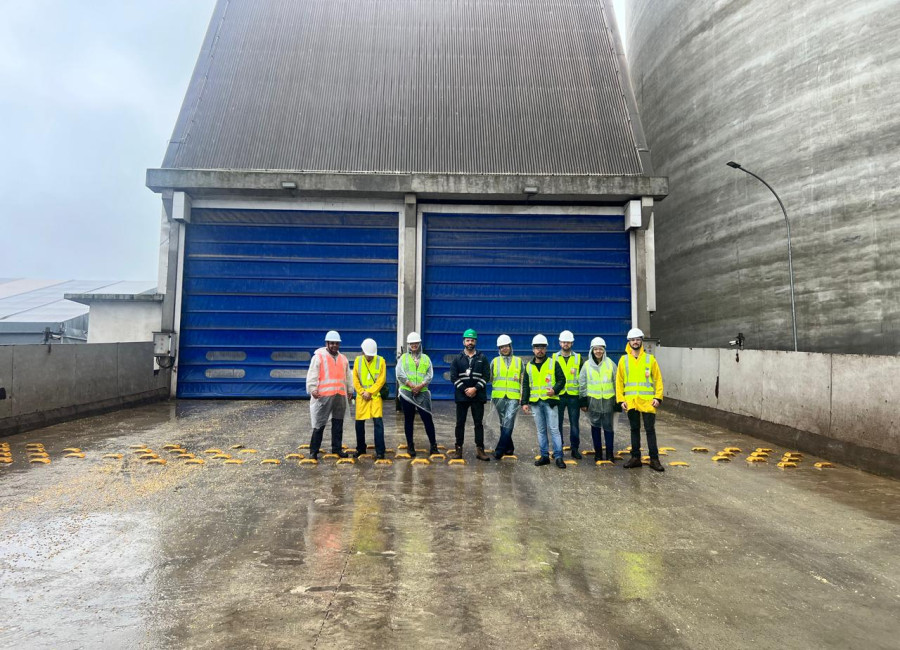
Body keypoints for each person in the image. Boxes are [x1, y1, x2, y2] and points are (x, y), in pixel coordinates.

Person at [616, 328, 665, 472]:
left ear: (641, 341)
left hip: (648, 401)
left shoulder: (650, 359)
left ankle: (654, 459)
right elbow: (619, 382)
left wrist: (658, 397)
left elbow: (658, 379)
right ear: (629, 342)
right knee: (634, 430)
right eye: (632, 340)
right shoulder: (623, 360)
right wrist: (621, 400)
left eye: (637, 339)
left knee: (650, 430)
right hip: (631, 402)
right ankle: (635, 458)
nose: (635, 342)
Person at [521, 334, 567, 469]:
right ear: (533, 349)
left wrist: (555, 390)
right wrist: (524, 402)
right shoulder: (529, 366)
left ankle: (558, 457)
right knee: (541, 431)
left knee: (554, 430)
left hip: (550, 402)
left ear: (546, 349)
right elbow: (525, 385)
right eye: (537, 348)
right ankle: (544, 456)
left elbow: (562, 380)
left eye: (542, 347)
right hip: (535, 403)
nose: (539, 350)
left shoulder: (553, 363)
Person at [306, 330, 353, 459]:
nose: (334, 346)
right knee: (319, 424)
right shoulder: (319, 357)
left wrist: (350, 389)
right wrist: (312, 388)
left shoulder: (343, 359)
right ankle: (313, 451)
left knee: (338, 423)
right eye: (332, 343)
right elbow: (312, 373)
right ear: (327, 343)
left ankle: (337, 449)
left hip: (339, 395)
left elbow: (348, 375)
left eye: (336, 343)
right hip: (323, 396)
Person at [450, 328, 491, 461]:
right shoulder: (457, 359)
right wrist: (465, 390)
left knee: (478, 423)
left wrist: (475, 389)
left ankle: (480, 450)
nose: (470, 342)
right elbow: (453, 377)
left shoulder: (482, 358)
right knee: (459, 423)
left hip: (477, 397)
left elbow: (486, 376)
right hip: (462, 397)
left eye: (472, 340)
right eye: (468, 340)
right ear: (463, 342)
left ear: (476, 342)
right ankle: (458, 449)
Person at [396, 332, 438, 456]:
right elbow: (399, 373)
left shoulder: (426, 358)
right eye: (411, 343)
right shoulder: (403, 358)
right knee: (409, 420)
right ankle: (410, 446)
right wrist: (411, 386)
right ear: (408, 345)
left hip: (422, 392)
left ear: (419, 343)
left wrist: (420, 386)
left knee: (427, 419)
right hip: (407, 393)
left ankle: (433, 445)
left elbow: (429, 375)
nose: (414, 345)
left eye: (416, 343)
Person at [580, 337, 617, 462]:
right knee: (595, 427)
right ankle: (598, 453)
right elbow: (582, 384)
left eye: (600, 349)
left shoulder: (611, 364)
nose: (598, 351)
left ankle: (610, 453)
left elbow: (617, 382)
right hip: (593, 402)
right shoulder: (586, 365)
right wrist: (583, 401)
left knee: (608, 427)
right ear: (592, 350)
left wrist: (618, 401)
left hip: (608, 401)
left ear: (604, 350)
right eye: (595, 349)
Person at [352, 338, 387, 459]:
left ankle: (380, 451)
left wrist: (370, 392)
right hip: (362, 398)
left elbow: (381, 380)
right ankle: (361, 449)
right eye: (368, 355)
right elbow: (355, 379)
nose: (370, 357)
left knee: (378, 424)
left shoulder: (381, 361)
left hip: (375, 397)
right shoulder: (358, 361)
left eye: (372, 355)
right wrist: (362, 392)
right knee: (359, 424)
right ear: (363, 352)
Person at [553, 330, 585, 458]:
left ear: (571, 343)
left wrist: (583, 399)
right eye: (563, 342)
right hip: (559, 395)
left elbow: (582, 380)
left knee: (574, 424)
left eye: (568, 342)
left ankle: (575, 448)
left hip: (573, 396)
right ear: (560, 343)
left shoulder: (578, 358)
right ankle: (558, 447)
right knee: (557, 423)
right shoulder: (554, 358)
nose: (565, 344)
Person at [490, 334, 522, 459]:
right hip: (499, 396)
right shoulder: (495, 361)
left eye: (506, 346)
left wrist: (522, 396)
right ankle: (509, 448)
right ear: (499, 348)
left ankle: (499, 449)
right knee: (504, 422)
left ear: (510, 346)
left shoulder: (518, 361)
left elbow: (522, 380)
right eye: (501, 347)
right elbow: (490, 378)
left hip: (513, 396)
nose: (504, 349)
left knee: (509, 421)